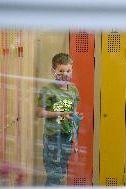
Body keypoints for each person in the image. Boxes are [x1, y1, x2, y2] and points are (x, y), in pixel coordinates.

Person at [36, 53, 82, 186]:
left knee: (61, 173)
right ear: (53, 71)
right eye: (61, 71)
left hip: (66, 137)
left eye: (68, 71)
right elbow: (39, 112)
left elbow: (73, 113)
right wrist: (59, 113)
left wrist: (75, 134)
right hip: (52, 137)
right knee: (54, 175)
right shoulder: (48, 90)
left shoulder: (73, 91)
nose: (65, 74)